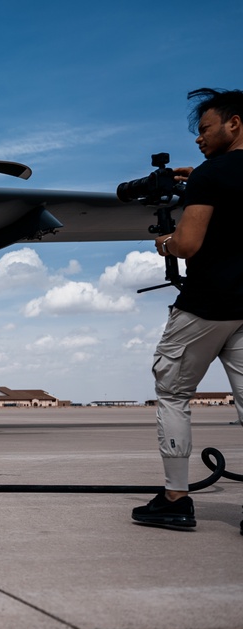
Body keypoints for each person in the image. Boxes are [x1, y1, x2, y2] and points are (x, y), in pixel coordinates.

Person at [132, 88, 243, 533]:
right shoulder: (213, 173)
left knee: (174, 393)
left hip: (205, 304)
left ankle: (175, 499)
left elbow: (189, 243)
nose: (199, 139)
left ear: (234, 124)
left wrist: (165, 242)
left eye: (205, 129)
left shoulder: (211, 176)